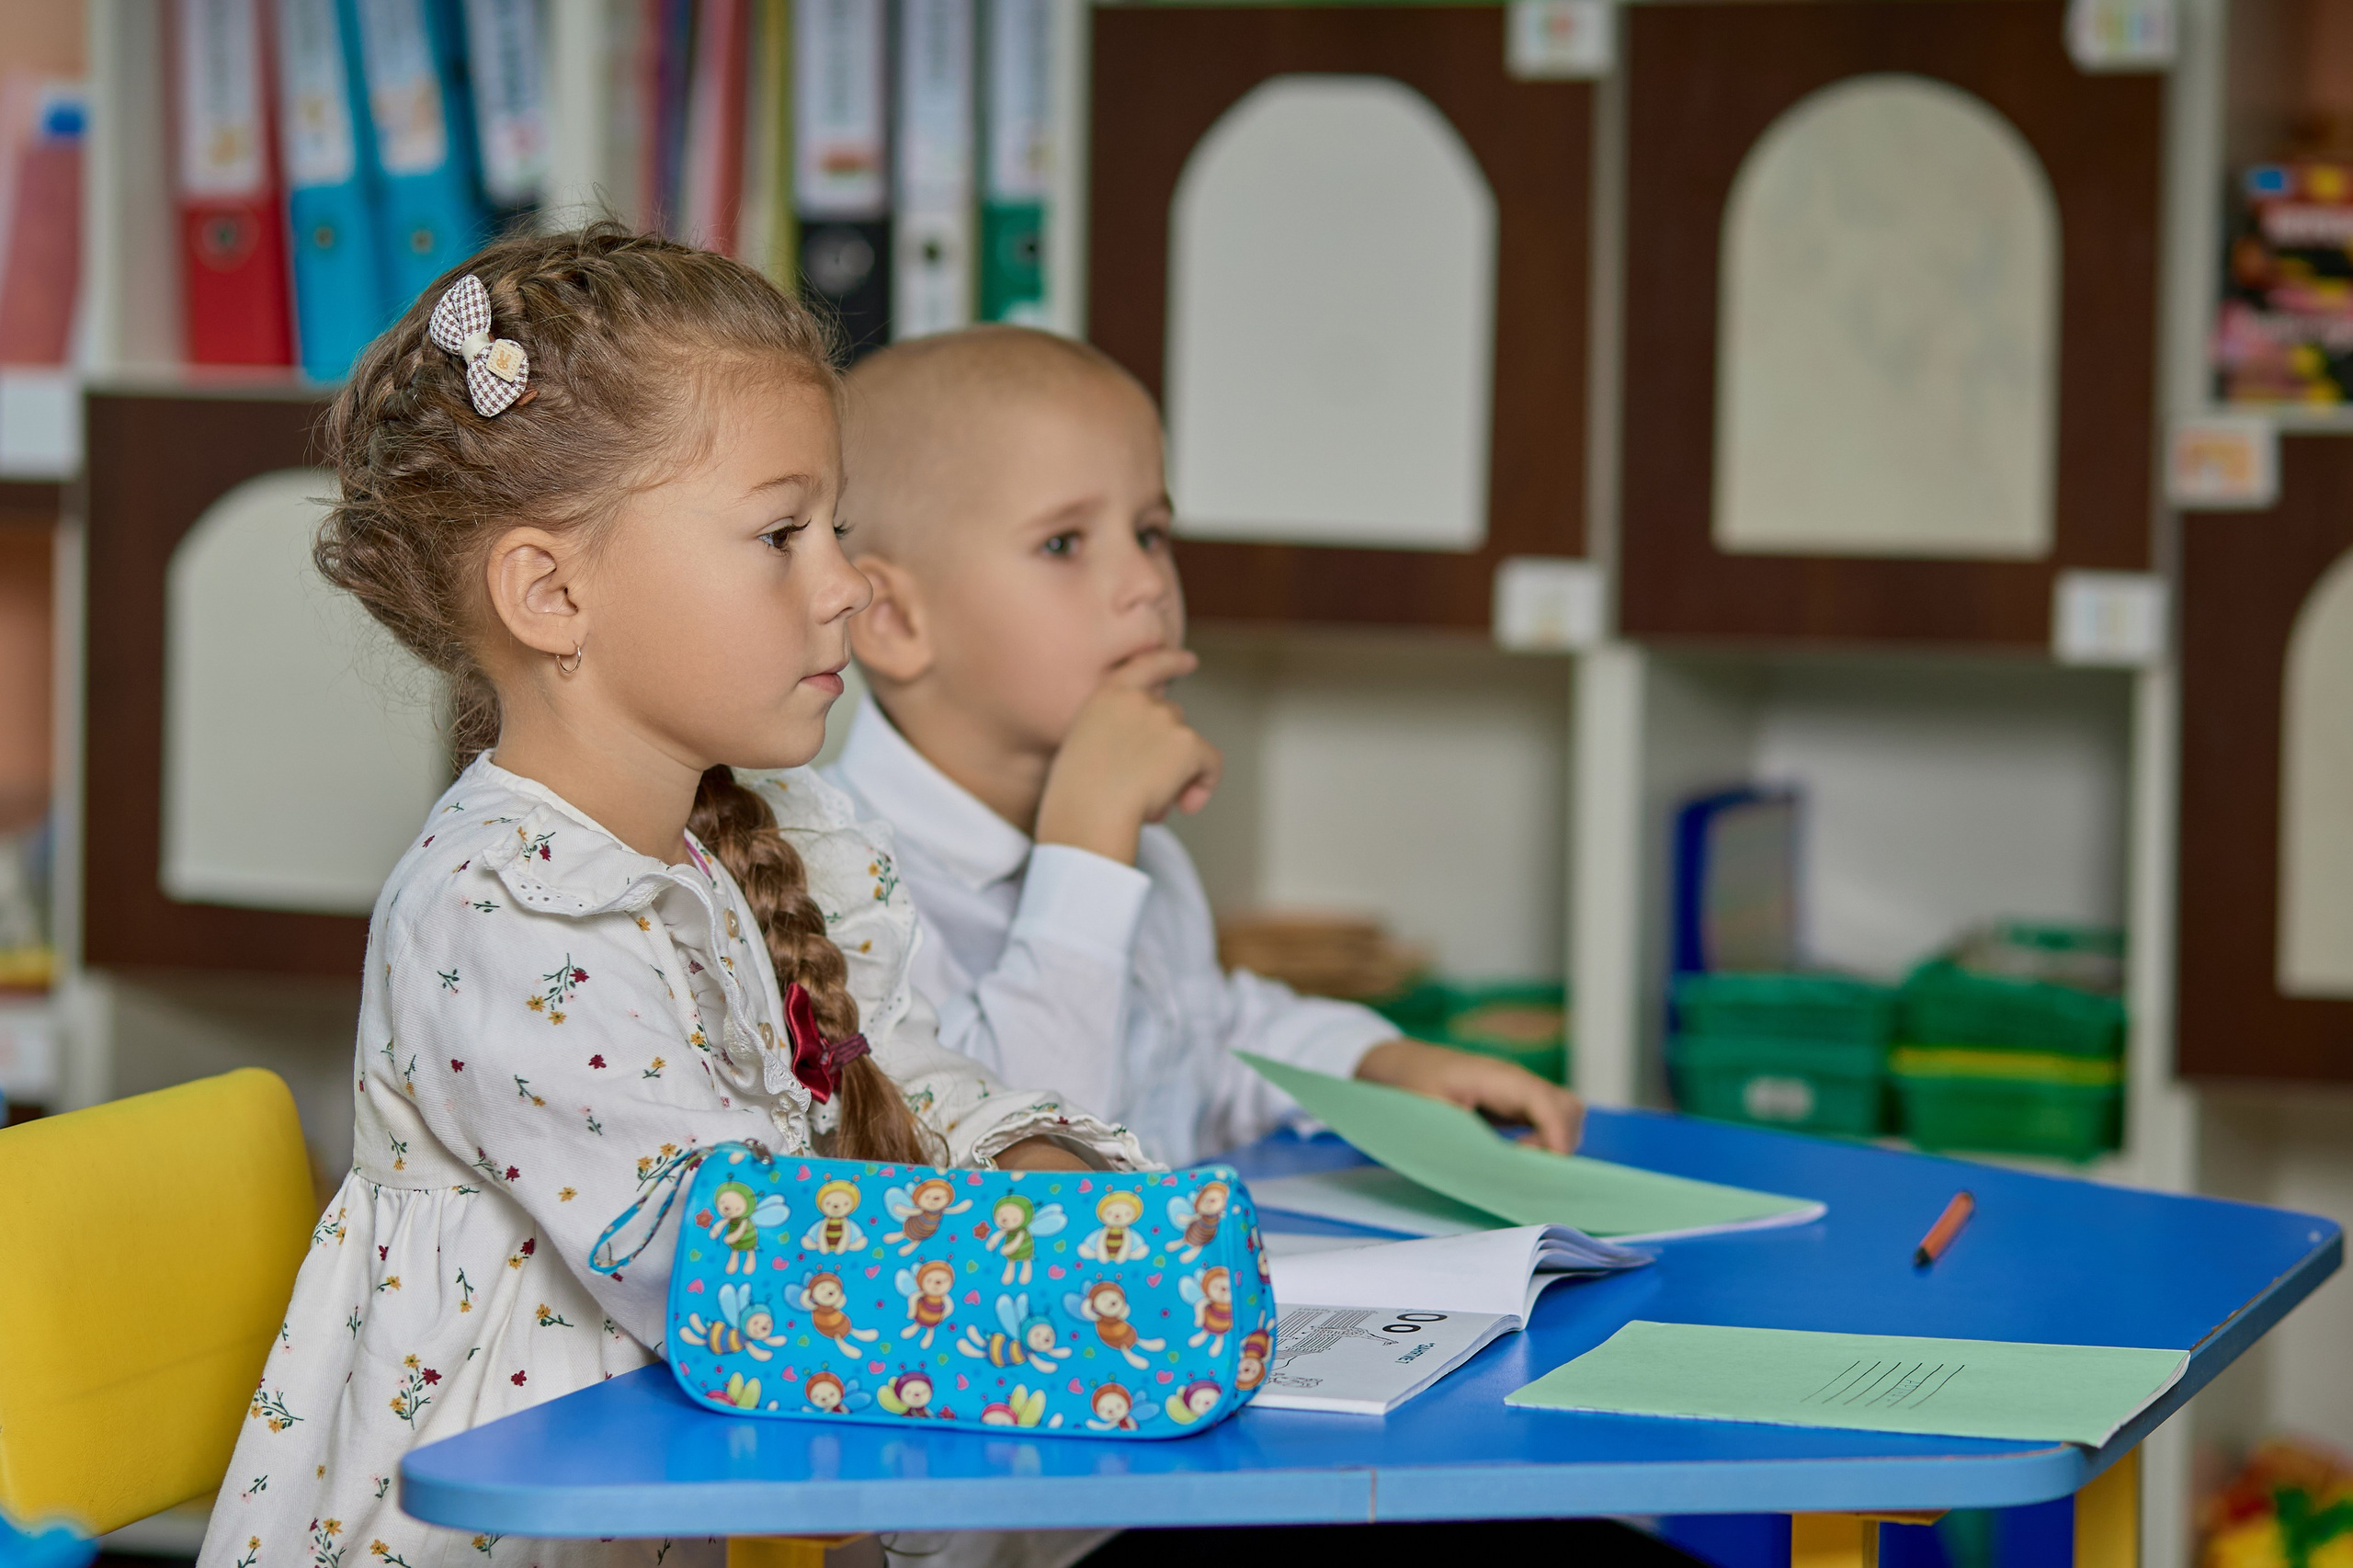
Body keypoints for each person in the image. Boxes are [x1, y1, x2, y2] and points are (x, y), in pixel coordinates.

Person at [195, 228, 1142, 1568]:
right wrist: (1017, 1272)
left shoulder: (769, 840)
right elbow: (716, 1255)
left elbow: (897, 1074)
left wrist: (1031, 1171)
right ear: (552, 592)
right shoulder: (501, 909)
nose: (844, 584)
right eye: (780, 534)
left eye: (836, 529)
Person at [827, 325, 1584, 1167]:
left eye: (1151, 532)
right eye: (1063, 543)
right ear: (893, 620)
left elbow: (1205, 1041)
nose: (1148, 584)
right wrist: (1088, 844)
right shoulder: (840, 885)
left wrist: (1380, 1064)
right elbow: (1025, 1150)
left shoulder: (1139, 851)